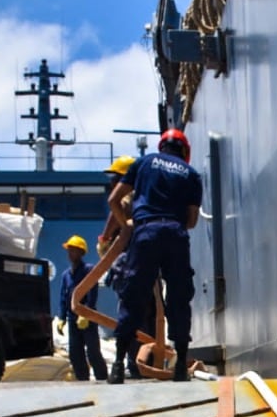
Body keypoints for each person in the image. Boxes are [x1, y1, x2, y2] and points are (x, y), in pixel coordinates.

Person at [106, 128, 202, 384]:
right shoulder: (191, 174)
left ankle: (118, 366)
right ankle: (180, 367)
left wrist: (126, 225)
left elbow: (114, 199)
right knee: (179, 297)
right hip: (175, 234)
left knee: (134, 296)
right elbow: (192, 220)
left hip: (145, 234)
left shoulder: (143, 163)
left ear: (161, 147)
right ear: (185, 150)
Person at [99, 155, 143, 380]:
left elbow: (115, 214)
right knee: (146, 312)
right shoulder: (145, 196)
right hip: (147, 258)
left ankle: (127, 363)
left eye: (115, 178)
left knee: (129, 311)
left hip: (130, 261)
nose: (112, 183)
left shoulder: (127, 198)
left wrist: (105, 239)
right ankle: (141, 362)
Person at [56, 235, 109, 382]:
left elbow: (92, 293)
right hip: (73, 320)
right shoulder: (66, 275)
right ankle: (82, 380)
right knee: (75, 353)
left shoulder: (89, 270)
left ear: (81, 252)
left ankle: (102, 378)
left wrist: (86, 313)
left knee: (93, 352)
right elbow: (63, 297)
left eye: (73, 250)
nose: (70, 253)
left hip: (87, 319)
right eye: (69, 250)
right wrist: (61, 317)